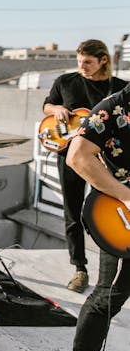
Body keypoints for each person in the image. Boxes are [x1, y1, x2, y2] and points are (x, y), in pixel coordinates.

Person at [56, 84, 130, 351]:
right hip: (123, 218)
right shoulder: (111, 108)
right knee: (108, 296)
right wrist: (126, 195)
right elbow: (78, 157)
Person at [43, 39, 126, 293]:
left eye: (88, 62)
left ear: (103, 60)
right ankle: (79, 268)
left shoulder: (120, 88)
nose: (83, 67)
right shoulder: (65, 82)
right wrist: (56, 108)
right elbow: (46, 105)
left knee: (107, 211)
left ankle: (108, 271)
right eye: (79, 62)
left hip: (106, 163)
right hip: (70, 155)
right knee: (73, 212)